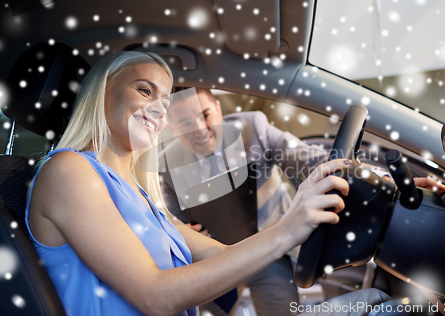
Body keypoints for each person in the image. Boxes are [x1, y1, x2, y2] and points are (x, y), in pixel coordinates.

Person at [25, 51, 391, 316]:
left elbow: (219, 254)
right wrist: (287, 229)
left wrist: (372, 181)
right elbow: (155, 295)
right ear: (102, 92)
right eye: (144, 90)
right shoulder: (69, 171)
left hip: (264, 260)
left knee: (374, 300)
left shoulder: (139, 191)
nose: (159, 109)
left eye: (164, 100)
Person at [160, 88, 445, 316]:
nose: (199, 128)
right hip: (216, 259)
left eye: (205, 115)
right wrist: (185, 236)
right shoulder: (165, 168)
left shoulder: (252, 127)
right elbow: (171, 225)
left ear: (219, 109)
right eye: (185, 123)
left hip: (273, 246)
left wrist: (392, 182)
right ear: (172, 128)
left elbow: (311, 160)